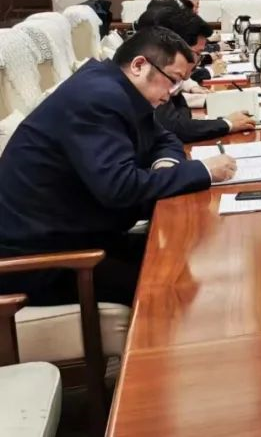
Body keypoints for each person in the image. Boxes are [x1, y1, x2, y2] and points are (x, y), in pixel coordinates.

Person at [0, 27, 237, 307]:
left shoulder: (114, 87)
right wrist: (203, 171)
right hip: (37, 262)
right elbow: (120, 188)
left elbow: (166, 138)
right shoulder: (96, 97)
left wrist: (165, 166)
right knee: (171, 287)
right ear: (139, 65)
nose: (171, 94)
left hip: (80, 234)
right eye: (172, 80)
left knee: (188, 252)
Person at [138, 6, 255, 142]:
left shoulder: (167, 77)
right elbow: (175, 127)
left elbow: (181, 113)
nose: (197, 62)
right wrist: (227, 124)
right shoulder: (151, 77)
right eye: (198, 54)